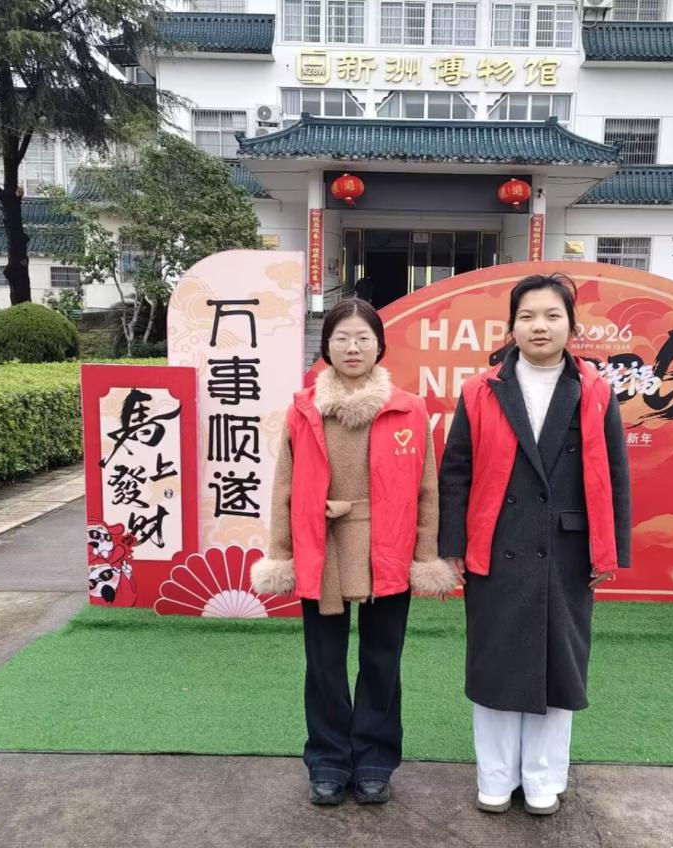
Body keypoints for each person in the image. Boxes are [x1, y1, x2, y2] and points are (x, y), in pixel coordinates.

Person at [251, 297, 460, 807]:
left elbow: (427, 489)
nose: (352, 347)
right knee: (323, 662)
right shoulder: (304, 409)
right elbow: (284, 487)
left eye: (363, 338)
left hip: (388, 546)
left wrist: (425, 555)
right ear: (326, 346)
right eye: (341, 338)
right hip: (321, 546)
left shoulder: (408, 408)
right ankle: (327, 760)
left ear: (379, 346)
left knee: (381, 659)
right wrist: (281, 551)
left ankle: (374, 761)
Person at [438, 272, 633, 816]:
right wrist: (453, 544)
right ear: (512, 326)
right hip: (496, 545)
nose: (539, 326)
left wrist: (609, 549)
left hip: (567, 549)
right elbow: (456, 471)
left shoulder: (595, 390)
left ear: (571, 325)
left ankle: (544, 777)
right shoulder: (481, 390)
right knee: (496, 662)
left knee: (558, 665)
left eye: (551, 315)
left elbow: (615, 474)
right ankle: (496, 776)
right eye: (527, 316)